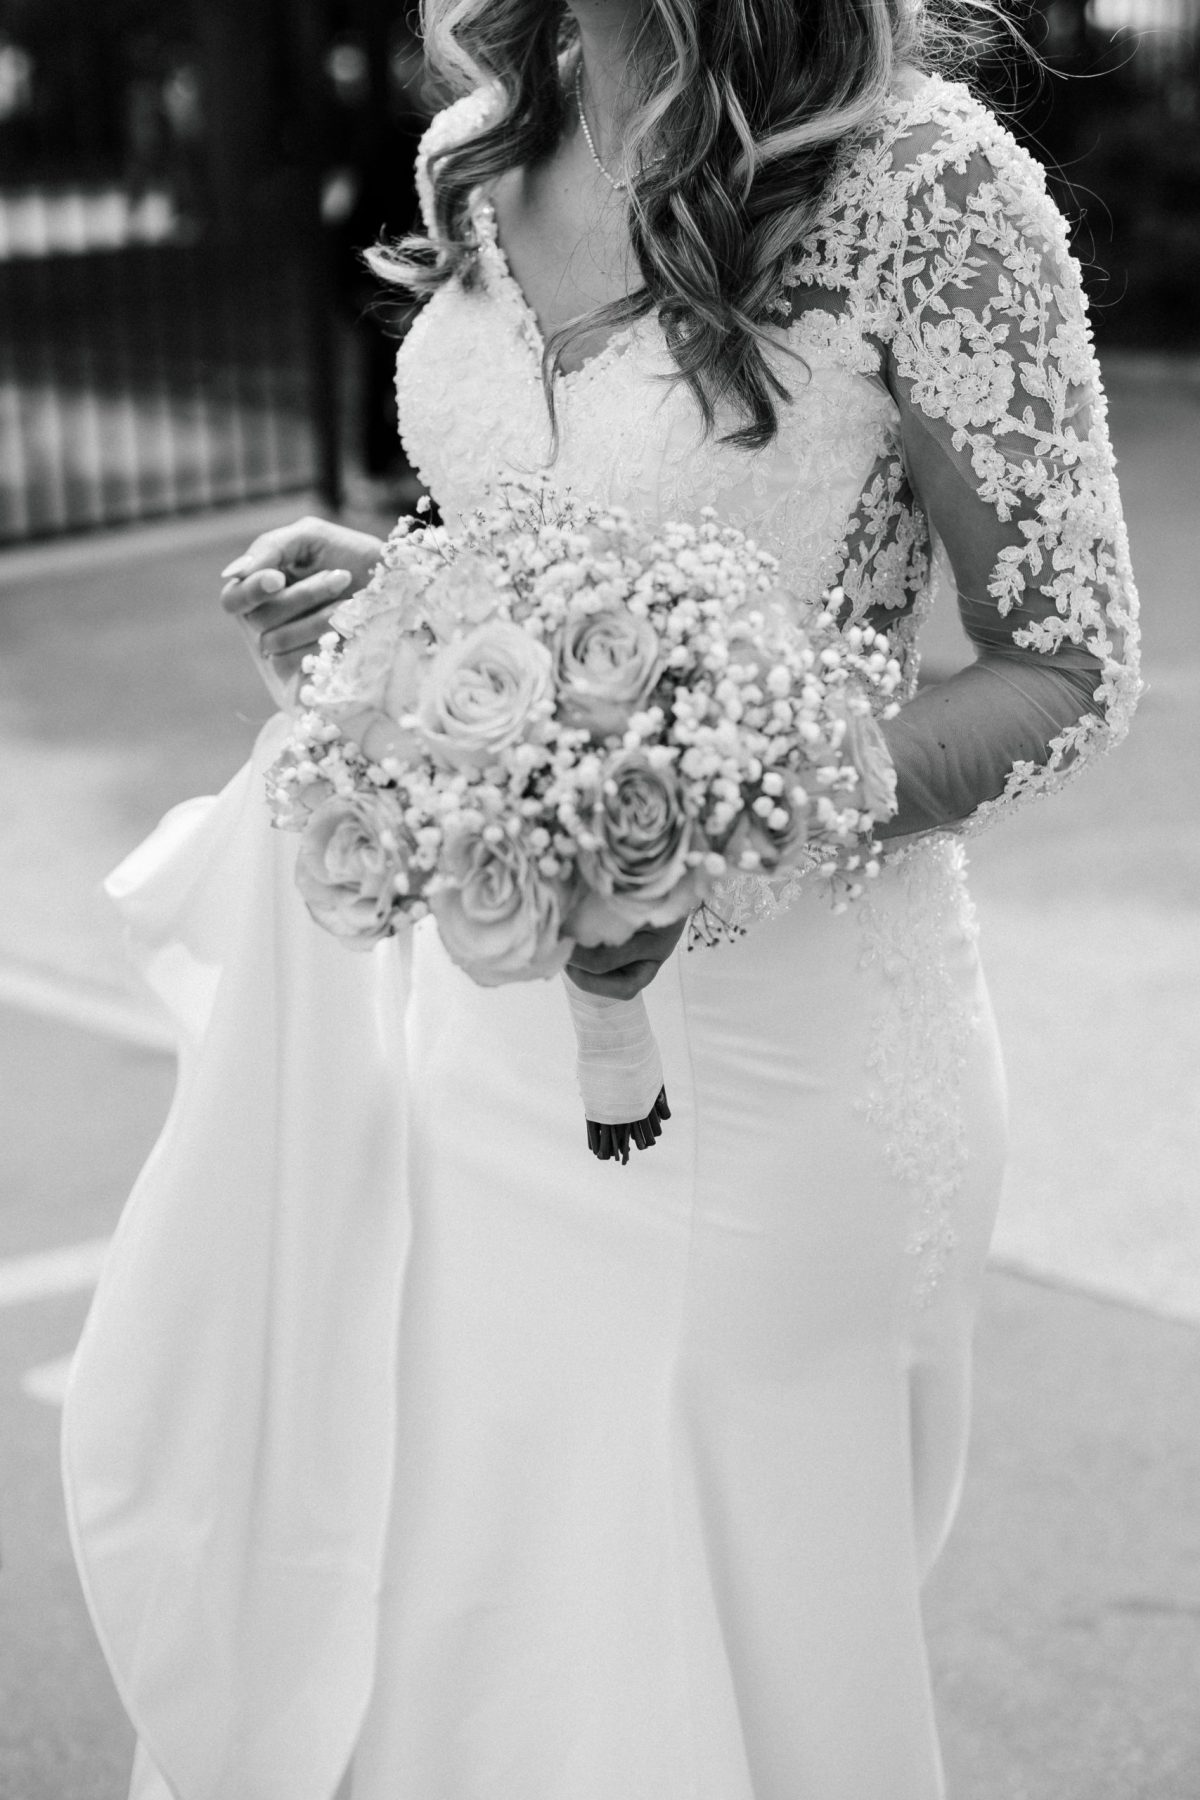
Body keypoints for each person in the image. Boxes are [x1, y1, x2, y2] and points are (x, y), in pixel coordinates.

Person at [62, 3, 1142, 1798]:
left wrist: (725, 815)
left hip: (782, 1083)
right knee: (462, 1620)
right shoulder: (484, 143)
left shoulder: (927, 190)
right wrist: (410, 618)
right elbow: (562, 541)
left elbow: (1069, 671)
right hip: (477, 1053)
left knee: (693, 1651)